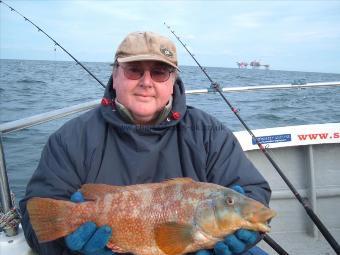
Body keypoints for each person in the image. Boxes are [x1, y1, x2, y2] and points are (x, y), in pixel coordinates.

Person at [19, 31, 271, 255]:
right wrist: (67, 247)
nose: (146, 82)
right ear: (115, 75)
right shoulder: (71, 138)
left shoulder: (209, 132)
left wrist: (246, 236)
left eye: (159, 72)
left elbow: (252, 194)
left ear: (173, 81)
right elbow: (38, 223)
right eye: (134, 70)